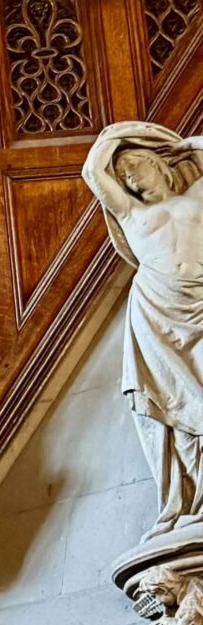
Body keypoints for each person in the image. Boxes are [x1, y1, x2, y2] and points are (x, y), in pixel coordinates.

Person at [81, 120, 203, 532]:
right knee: (174, 404)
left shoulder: (196, 196)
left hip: (199, 306)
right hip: (156, 310)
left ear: (158, 164)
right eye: (125, 175)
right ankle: (191, 498)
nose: (130, 178)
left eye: (135, 166)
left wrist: (182, 145)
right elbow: (91, 172)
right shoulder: (132, 213)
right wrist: (115, 137)